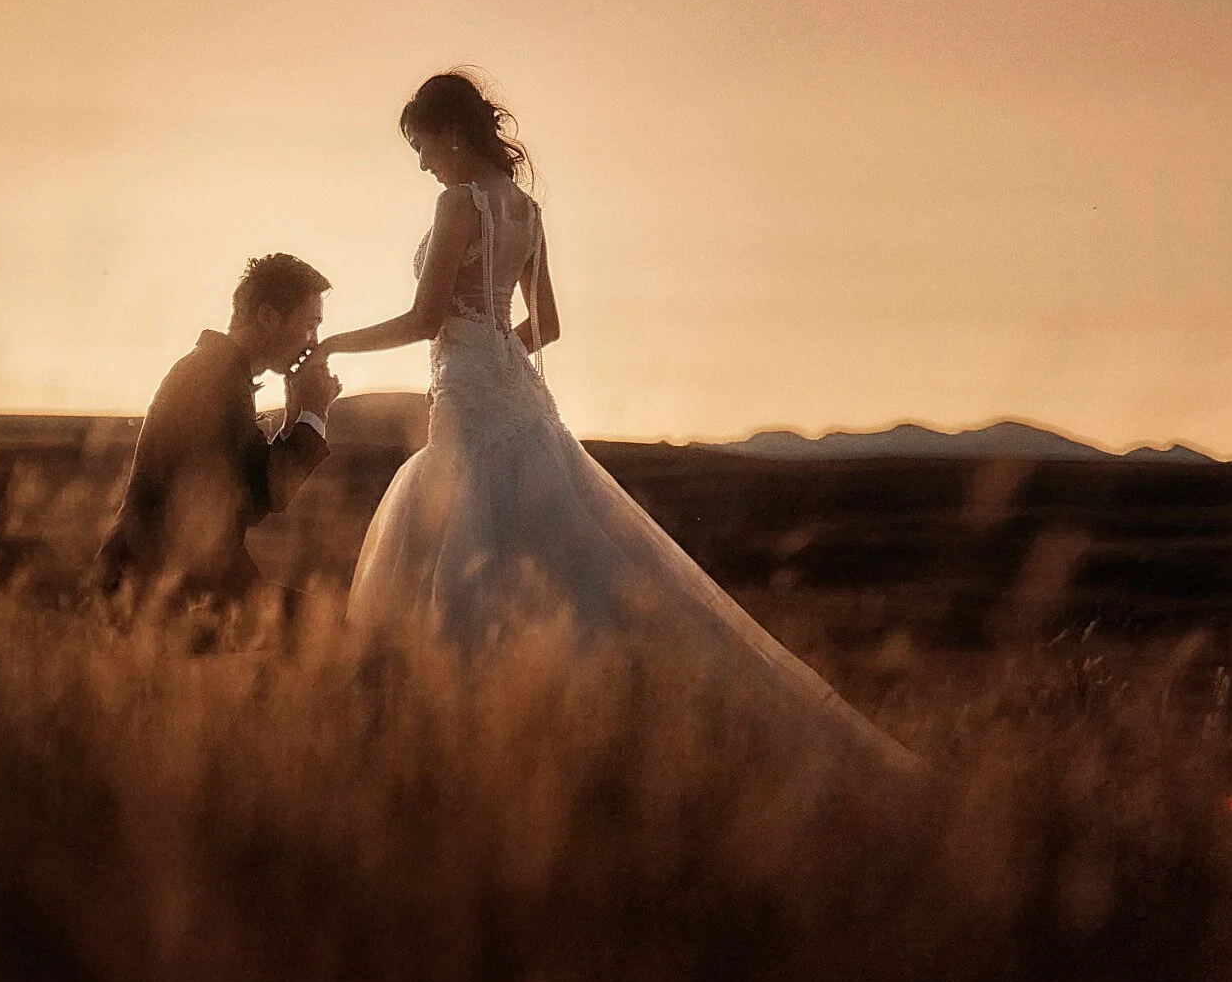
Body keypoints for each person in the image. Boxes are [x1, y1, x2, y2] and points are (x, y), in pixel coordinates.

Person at [301, 70, 921, 777]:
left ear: (450, 134)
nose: (421, 162)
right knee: (564, 564)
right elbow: (548, 326)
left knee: (469, 566)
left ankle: (472, 743)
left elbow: (426, 317)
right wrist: (498, 355)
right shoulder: (527, 210)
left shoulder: (457, 204)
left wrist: (333, 343)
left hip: (472, 409)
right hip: (523, 404)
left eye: (421, 145)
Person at [96, 253, 343, 643]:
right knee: (329, 632)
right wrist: (314, 414)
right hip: (167, 585)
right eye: (310, 324)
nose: (313, 341)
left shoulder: (217, 370)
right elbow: (261, 497)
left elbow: (251, 488)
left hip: (176, 579)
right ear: (267, 317)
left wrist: (295, 419)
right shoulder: (215, 378)